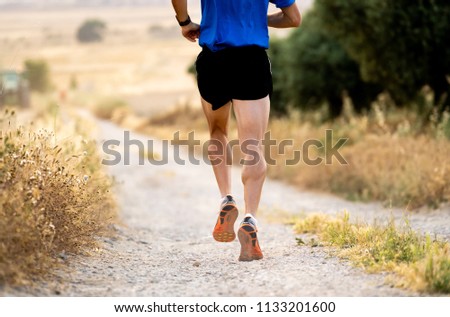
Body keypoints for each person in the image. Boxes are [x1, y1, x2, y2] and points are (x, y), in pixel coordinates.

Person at [171, 0, 301, 261]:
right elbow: (293, 18)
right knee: (253, 144)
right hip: (250, 60)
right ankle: (249, 220)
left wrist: (185, 22)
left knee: (217, 132)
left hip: (213, 61)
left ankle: (226, 199)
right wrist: (255, 19)